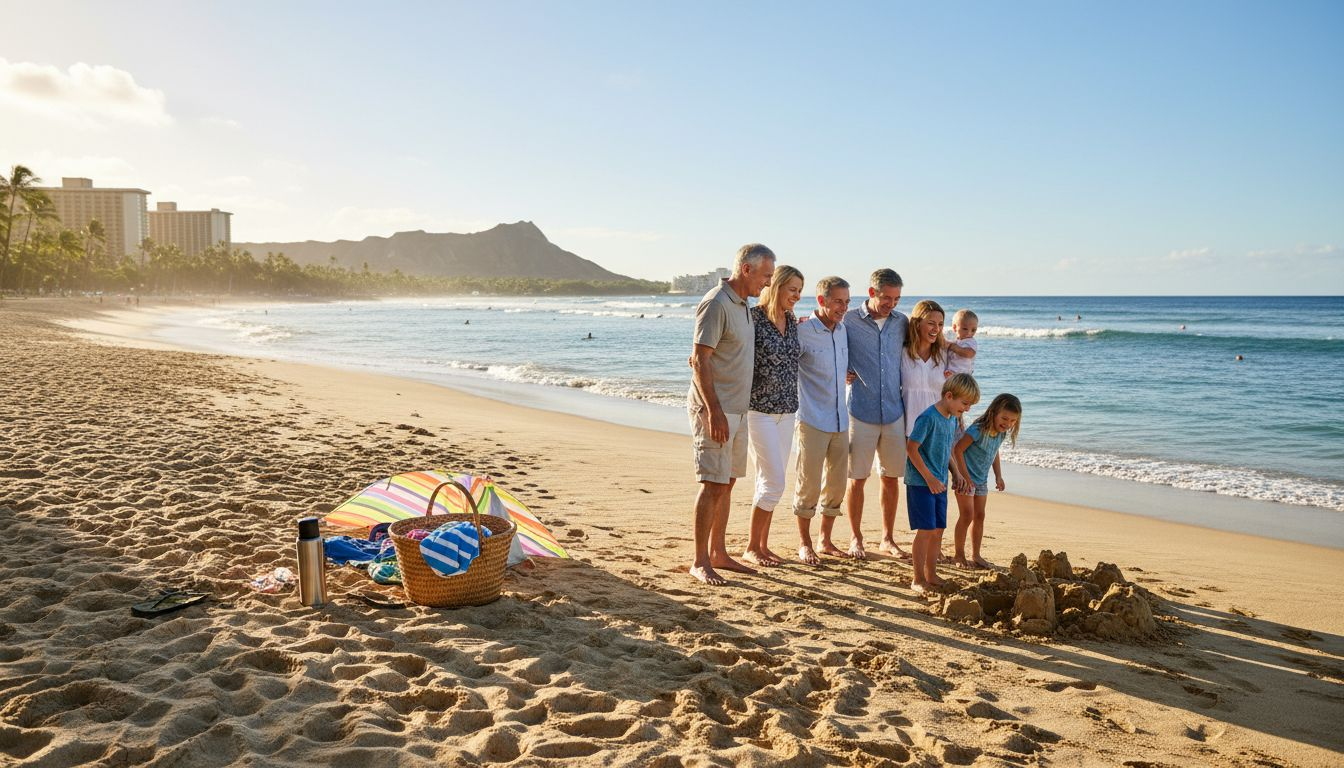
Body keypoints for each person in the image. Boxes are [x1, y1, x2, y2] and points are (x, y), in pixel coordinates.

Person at [688, 243, 777, 586]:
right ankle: (699, 561)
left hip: (738, 408)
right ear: (747, 270)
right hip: (717, 410)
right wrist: (714, 412)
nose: (768, 283)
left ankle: (719, 553)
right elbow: (700, 359)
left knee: (727, 482)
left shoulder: (742, 305)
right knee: (711, 483)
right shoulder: (716, 302)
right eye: (766, 275)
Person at [843, 268, 909, 560]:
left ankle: (887, 538)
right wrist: (841, 369)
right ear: (872, 293)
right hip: (860, 409)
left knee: (891, 477)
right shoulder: (848, 320)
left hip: (895, 411)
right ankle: (856, 538)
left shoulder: (902, 322)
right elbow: (825, 339)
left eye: (896, 298)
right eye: (886, 298)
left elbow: (923, 349)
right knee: (857, 478)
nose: (891, 304)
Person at [743, 265, 804, 567]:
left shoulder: (792, 321)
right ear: (776, 286)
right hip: (759, 411)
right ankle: (752, 547)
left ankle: (762, 545)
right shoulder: (753, 318)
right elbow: (733, 348)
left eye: (800, 291)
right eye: (792, 289)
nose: (797, 295)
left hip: (787, 410)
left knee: (768, 481)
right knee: (774, 482)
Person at [793, 276, 851, 565]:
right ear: (822, 300)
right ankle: (804, 544)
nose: (843, 307)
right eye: (838, 301)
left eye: (847, 301)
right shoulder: (802, 331)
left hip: (841, 420)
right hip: (812, 419)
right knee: (809, 484)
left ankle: (825, 540)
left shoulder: (843, 331)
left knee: (837, 485)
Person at [905, 373, 980, 595]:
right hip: (921, 483)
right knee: (926, 530)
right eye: (964, 403)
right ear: (949, 396)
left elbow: (947, 449)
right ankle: (917, 579)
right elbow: (911, 448)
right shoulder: (928, 418)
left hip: (940, 483)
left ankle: (931, 574)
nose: (967, 409)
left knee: (938, 529)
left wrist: (956, 473)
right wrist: (928, 477)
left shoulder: (951, 419)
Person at [951, 393, 1021, 569]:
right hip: (965, 478)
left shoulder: (1001, 433)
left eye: (1013, 421)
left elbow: (995, 453)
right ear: (994, 412)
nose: (1008, 424)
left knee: (980, 516)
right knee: (967, 515)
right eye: (1004, 418)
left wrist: (998, 475)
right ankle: (959, 555)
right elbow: (958, 450)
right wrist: (964, 476)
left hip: (981, 480)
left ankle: (976, 555)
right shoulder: (978, 429)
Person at [901, 300, 949, 438]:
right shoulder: (902, 353)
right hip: (907, 431)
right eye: (931, 323)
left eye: (940, 324)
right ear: (917, 323)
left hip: (938, 431)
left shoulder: (944, 355)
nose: (936, 329)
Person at [944, 309, 978, 376]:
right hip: (951, 372)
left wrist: (953, 347)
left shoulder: (971, 341)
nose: (969, 333)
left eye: (973, 330)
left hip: (964, 374)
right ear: (954, 327)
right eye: (965, 329)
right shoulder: (954, 340)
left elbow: (969, 354)